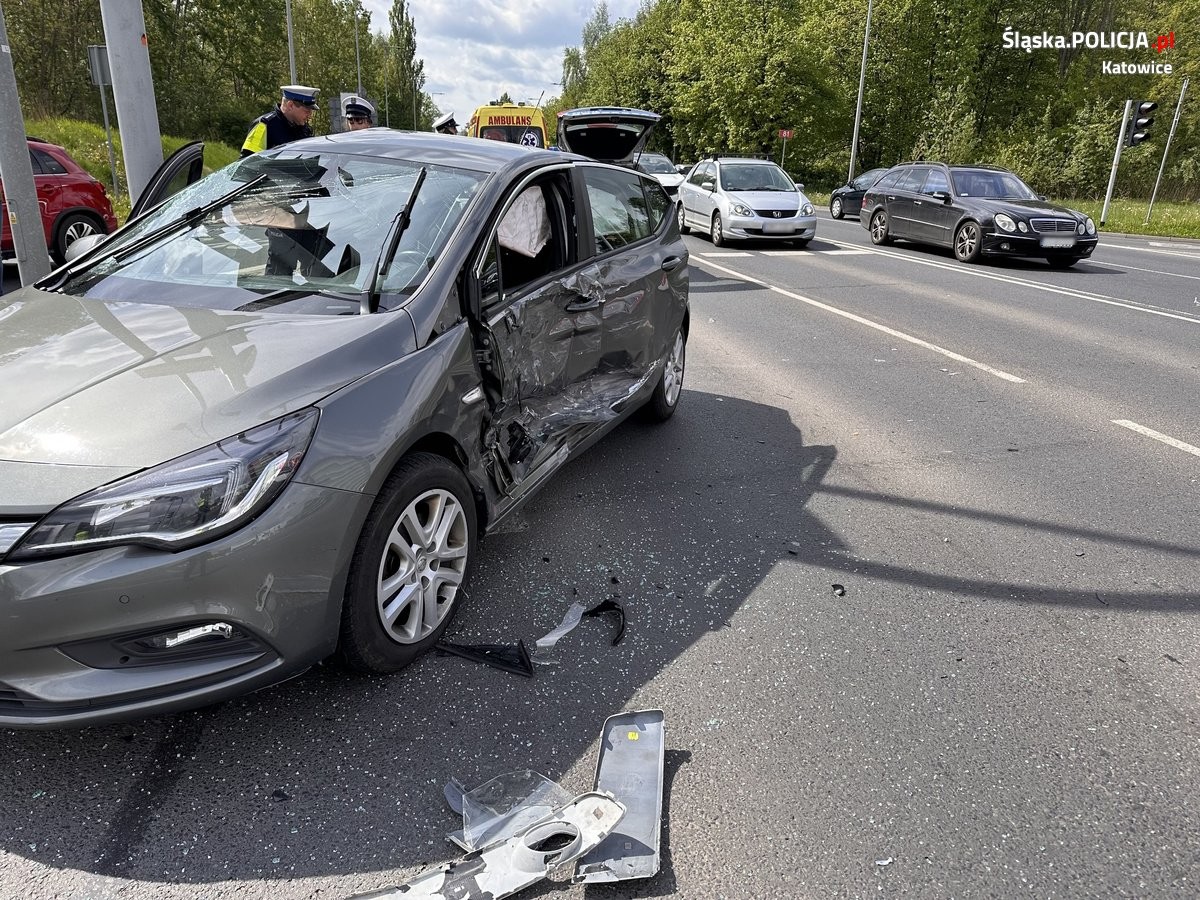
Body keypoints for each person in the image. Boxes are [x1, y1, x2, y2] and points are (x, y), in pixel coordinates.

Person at [241, 85, 320, 157]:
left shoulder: (303, 129)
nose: (310, 116)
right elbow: (247, 161)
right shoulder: (264, 125)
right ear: (290, 105)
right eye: (307, 111)